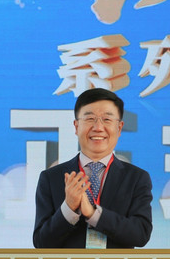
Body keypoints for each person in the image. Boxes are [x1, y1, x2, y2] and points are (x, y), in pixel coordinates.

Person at [33, 88, 153, 249]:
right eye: (90, 118)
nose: (98, 127)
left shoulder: (136, 178)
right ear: (76, 126)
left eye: (107, 119)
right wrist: (68, 208)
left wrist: (93, 214)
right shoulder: (51, 178)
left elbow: (140, 234)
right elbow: (41, 242)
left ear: (119, 128)